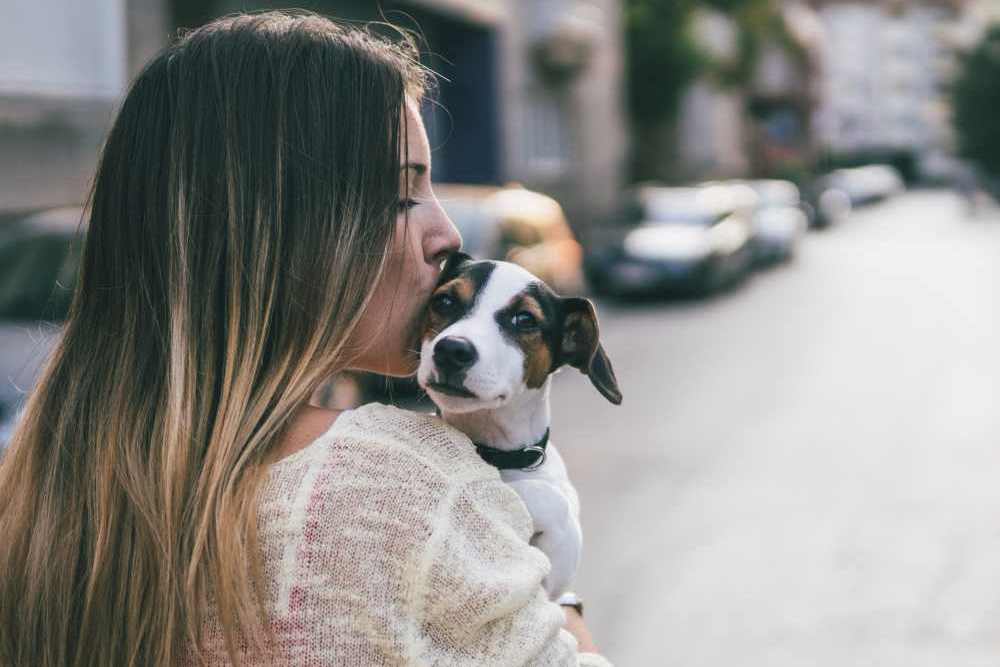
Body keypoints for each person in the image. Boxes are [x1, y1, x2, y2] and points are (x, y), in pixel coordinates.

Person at [0, 11, 611, 667]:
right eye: (404, 193)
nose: (447, 235)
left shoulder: (39, 488)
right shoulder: (401, 483)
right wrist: (558, 601)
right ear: (287, 232)